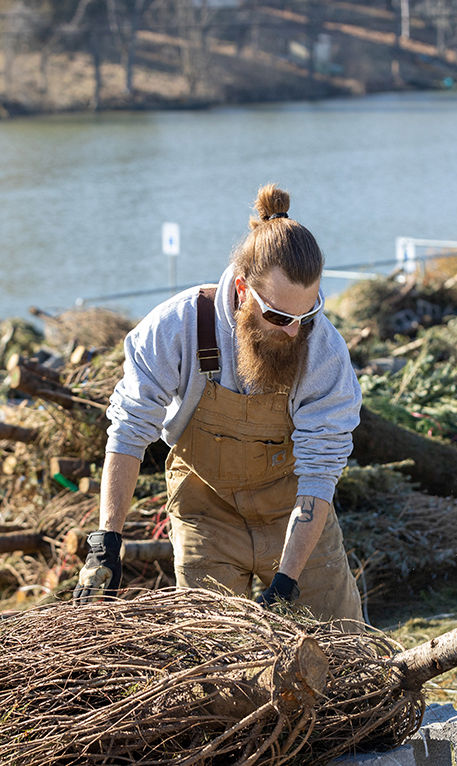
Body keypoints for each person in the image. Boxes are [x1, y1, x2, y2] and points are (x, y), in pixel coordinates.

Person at [73, 183, 364, 626]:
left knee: (342, 645)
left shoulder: (323, 351)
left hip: (291, 511)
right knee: (215, 651)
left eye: (307, 315)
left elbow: (320, 472)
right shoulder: (177, 327)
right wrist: (106, 542)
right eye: (279, 317)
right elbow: (130, 429)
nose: (293, 332)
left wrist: (287, 580)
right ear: (243, 289)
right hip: (205, 514)